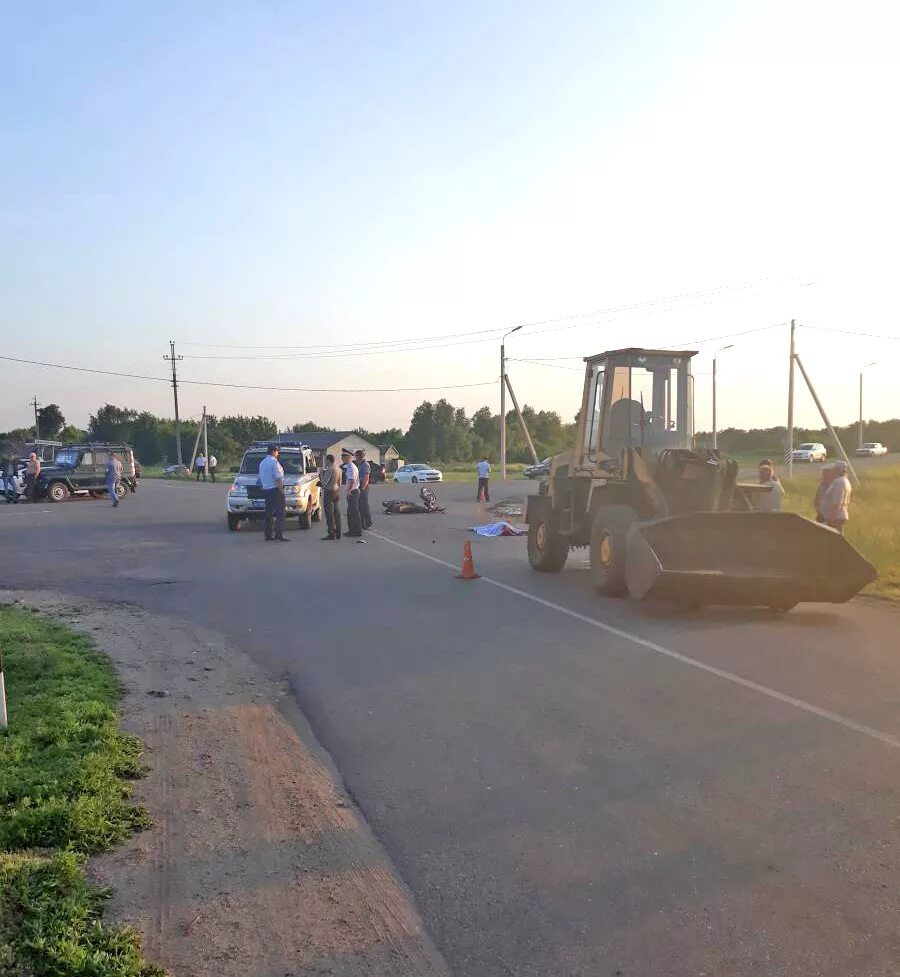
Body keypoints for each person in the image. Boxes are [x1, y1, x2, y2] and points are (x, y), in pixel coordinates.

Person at [259, 444, 289, 542]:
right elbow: (278, 479)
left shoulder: (262, 463)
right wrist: (282, 491)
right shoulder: (274, 463)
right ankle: (279, 534)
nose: (278, 453)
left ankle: (268, 535)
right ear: (273, 451)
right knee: (280, 513)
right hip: (275, 490)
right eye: (277, 451)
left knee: (268, 514)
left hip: (266, 490)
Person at [822, 461, 852, 534]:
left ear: (838, 470)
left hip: (836, 517)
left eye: (834, 470)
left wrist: (831, 519)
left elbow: (837, 502)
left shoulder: (839, 482)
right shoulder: (846, 481)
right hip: (838, 515)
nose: (833, 472)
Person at [320, 453, 343, 540]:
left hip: (329, 491)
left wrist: (321, 474)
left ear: (328, 460)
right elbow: (340, 483)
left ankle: (331, 533)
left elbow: (324, 482)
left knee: (329, 514)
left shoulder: (330, 469)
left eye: (326, 460)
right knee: (336, 512)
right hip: (336, 491)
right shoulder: (338, 469)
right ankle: (338, 532)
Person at [341, 448, 362, 537]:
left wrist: (349, 490)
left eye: (344, 456)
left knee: (353, 513)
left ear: (349, 457)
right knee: (350, 513)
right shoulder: (348, 466)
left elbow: (352, 480)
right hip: (352, 491)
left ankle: (356, 531)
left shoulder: (351, 467)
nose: (342, 458)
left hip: (353, 491)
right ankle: (352, 530)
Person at [355, 449, 373, 530]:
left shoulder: (365, 465)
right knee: (359, 506)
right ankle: (362, 523)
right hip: (359, 485)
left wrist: (362, 489)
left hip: (363, 487)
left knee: (364, 506)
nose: (355, 458)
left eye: (356, 456)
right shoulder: (359, 464)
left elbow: (366, 478)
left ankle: (368, 523)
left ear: (359, 456)